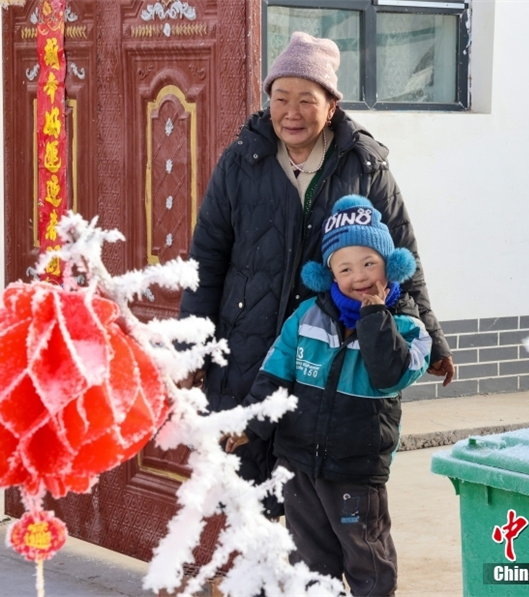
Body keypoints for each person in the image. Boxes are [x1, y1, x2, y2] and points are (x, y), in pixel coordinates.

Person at [179, 31, 453, 515]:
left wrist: (429, 336)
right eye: (281, 97)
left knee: (314, 481)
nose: (291, 112)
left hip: (327, 349)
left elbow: (401, 254)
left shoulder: (365, 168)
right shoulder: (242, 161)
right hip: (246, 342)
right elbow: (207, 259)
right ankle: (252, 581)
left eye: (307, 99)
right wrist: (191, 346)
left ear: (331, 106)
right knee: (244, 475)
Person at [226, 195, 432, 596]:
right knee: (309, 561)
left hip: (357, 469)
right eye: (345, 267)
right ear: (330, 274)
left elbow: (391, 375)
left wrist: (374, 319)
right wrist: (251, 424)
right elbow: (274, 375)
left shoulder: (408, 327)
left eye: (369, 263)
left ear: (391, 266)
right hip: (299, 463)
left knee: (367, 559)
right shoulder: (306, 318)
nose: (359, 276)